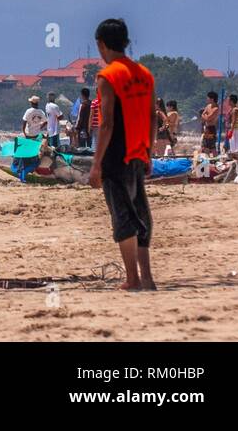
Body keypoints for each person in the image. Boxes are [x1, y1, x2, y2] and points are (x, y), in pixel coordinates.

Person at [87, 18, 156, 291]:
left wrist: (96, 164)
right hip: (139, 152)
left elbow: (107, 123)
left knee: (123, 217)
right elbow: (152, 117)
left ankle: (133, 279)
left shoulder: (108, 76)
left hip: (116, 154)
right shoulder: (145, 74)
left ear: (102, 45)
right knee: (140, 213)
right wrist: (149, 152)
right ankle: (147, 277)